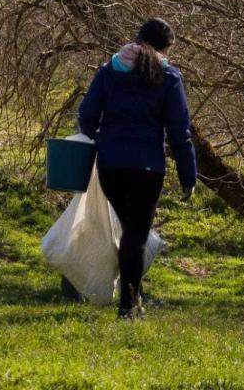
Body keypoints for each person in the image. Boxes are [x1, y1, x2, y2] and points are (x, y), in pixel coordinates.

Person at [78, 18, 197, 319]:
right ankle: (128, 307)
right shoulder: (168, 77)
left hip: (110, 166)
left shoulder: (108, 72)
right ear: (165, 48)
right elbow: (179, 132)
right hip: (146, 167)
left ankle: (135, 298)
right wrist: (188, 175)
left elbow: (87, 116)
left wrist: (101, 141)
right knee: (135, 235)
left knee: (132, 232)